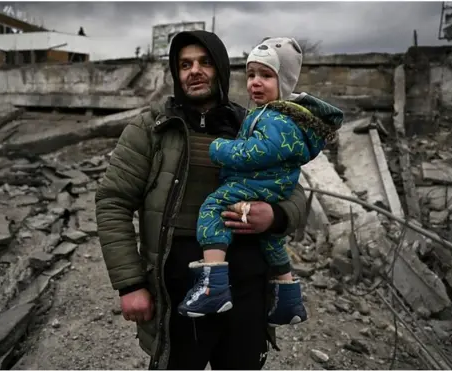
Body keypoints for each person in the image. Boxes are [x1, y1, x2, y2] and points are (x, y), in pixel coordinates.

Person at [95, 30, 308, 370]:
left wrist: (276, 216)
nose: (194, 70)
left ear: (221, 69)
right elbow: (112, 202)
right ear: (176, 73)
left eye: (205, 62)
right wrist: (130, 284)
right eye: (184, 64)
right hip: (179, 291)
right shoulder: (152, 128)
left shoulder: (254, 125)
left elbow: (296, 196)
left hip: (248, 290)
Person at [177, 37, 343, 327]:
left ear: (286, 81)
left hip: (258, 183)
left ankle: (212, 283)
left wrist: (220, 149)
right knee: (272, 242)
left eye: (266, 75)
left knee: (213, 207)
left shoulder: (275, 118)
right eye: (251, 74)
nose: (255, 82)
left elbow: (260, 152)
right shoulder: (272, 114)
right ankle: (289, 300)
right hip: (271, 185)